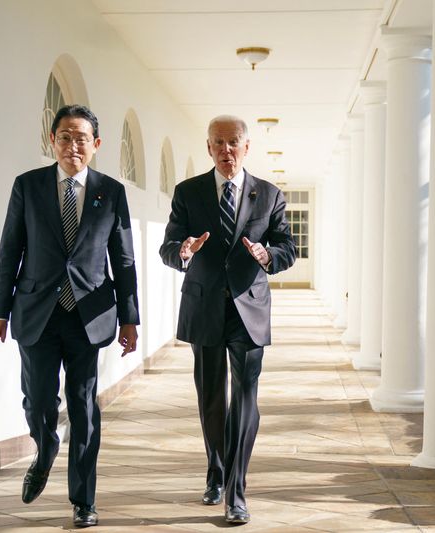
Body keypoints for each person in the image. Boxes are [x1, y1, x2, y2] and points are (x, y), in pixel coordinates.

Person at [0, 104, 139, 528]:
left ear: (96, 145)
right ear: (52, 141)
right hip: (37, 311)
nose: (74, 146)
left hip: (88, 315)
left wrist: (130, 319)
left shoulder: (111, 191)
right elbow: (9, 251)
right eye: (65, 137)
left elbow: (123, 260)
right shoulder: (28, 186)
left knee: (84, 406)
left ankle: (83, 500)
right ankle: (45, 447)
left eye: (82, 138)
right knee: (38, 402)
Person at [159, 115, 296, 525]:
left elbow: (288, 247)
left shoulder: (268, 195)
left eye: (233, 142)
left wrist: (268, 256)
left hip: (248, 308)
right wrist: (182, 250)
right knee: (211, 397)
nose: (226, 150)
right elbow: (167, 246)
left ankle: (236, 490)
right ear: (208, 148)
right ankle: (216, 470)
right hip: (204, 307)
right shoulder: (188, 193)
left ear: (246, 146)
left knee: (246, 397)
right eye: (217, 143)